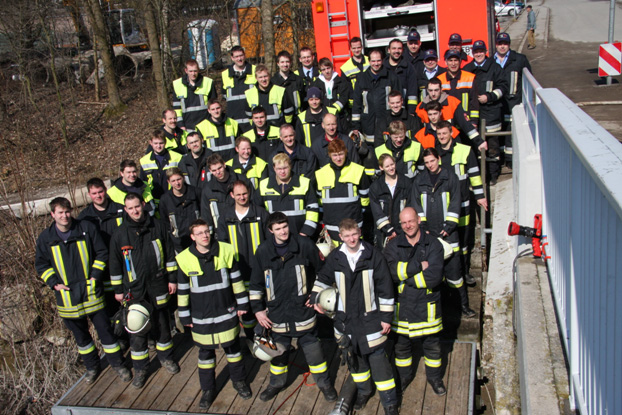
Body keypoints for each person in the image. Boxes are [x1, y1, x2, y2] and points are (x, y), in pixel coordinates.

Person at [36, 197, 130, 384]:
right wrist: (55, 284)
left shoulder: (86, 228)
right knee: (81, 338)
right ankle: (92, 367)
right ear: (53, 214)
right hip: (67, 296)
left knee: (106, 332)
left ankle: (119, 365)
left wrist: (95, 276)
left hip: (91, 292)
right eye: (60, 213)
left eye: (67, 211)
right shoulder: (45, 238)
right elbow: (41, 265)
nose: (65, 216)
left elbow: (102, 253)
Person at [311, 219, 398, 415]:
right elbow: (323, 278)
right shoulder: (336, 257)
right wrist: (316, 297)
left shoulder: (373, 255)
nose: (351, 239)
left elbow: (385, 287)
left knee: (380, 364)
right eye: (347, 236)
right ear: (340, 237)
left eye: (354, 234)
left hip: (371, 320)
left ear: (360, 233)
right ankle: (364, 391)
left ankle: (390, 402)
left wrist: (386, 317)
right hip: (345, 321)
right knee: (355, 362)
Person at [249, 212, 337, 402]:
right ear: (270, 230)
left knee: (315, 354)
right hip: (277, 315)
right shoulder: (263, 251)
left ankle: (324, 384)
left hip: (303, 312)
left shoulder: (305, 246)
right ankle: (276, 384)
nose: (283, 232)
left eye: (285, 227)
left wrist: (316, 296)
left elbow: (323, 272)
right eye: (278, 228)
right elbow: (255, 283)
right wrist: (258, 310)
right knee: (278, 356)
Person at [176, 219, 252, 409]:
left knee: (233, 350)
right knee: (205, 355)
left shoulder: (226, 250)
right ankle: (208, 390)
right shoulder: (184, 259)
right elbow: (183, 290)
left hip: (226, 310)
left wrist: (242, 303)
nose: (205, 235)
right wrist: (184, 315)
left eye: (207, 231)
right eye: (200, 233)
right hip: (201, 315)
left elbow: (236, 279)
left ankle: (239, 382)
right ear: (193, 237)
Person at [109, 193, 180, 388]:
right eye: (130, 208)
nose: (135, 211)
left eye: (137, 206)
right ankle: (141, 368)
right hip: (134, 289)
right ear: (126, 210)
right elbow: (115, 264)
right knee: (137, 330)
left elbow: (169, 255)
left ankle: (166, 358)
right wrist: (118, 290)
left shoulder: (157, 226)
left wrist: (172, 279)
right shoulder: (120, 234)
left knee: (162, 324)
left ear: (143, 204)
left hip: (158, 284)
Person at [383, 207, 446, 396]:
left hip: (427, 306)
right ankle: (404, 377)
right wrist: (418, 267)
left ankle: (435, 378)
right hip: (403, 308)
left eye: (410, 221)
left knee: (433, 348)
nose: (407, 226)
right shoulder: (393, 246)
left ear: (418, 220)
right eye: (403, 223)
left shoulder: (434, 245)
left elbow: (434, 277)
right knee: (401, 348)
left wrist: (406, 277)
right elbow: (390, 273)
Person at [409, 148, 476, 318]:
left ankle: (463, 306)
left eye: (432, 161)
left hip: (449, 233)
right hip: (428, 234)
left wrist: (449, 226)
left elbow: (455, 202)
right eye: (427, 162)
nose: (430, 165)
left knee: (455, 272)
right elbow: (416, 205)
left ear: (438, 159)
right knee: (433, 273)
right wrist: (423, 228)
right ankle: (442, 310)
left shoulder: (450, 177)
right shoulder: (419, 181)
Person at [435, 121, 487, 286]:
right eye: (439, 134)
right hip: (443, 207)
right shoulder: (434, 154)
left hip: (463, 205)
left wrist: (480, 196)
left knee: (464, 242)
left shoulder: (465, 151)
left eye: (445, 133)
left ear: (451, 133)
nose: (442, 137)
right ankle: (448, 275)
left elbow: (474, 174)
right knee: (447, 243)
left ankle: (465, 272)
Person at [78, 178, 125, 316]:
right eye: (94, 193)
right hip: (100, 266)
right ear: (89, 195)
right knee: (108, 307)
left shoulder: (120, 210)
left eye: (100, 192)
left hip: (122, 261)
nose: (98, 196)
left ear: (105, 190)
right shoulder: (84, 217)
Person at [464, 40, 508, 183]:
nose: (478, 54)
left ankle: (492, 176)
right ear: (472, 53)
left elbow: (503, 88)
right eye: (476, 52)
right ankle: (480, 176)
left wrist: (488, 97)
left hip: (492, 113)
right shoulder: (468, 68)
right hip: (474, 115)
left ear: (485, 52)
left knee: (493, 147)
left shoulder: (494, 68)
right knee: (476, 148)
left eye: (481, 51)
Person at [315, 139, 370, 244]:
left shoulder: (358, 170)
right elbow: (319, 202)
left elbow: (365, 200)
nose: (338, 158)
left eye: (341, 154)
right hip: (330, 228)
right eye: (335, 155)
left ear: (346, 152)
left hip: (353, 228)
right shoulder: (320, 173)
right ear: (329, 155)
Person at [415, 78, 487, 151]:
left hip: (451, 143)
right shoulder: (420, 107)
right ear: (427, 90)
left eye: (436, 90)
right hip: (430, 146)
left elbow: (465, 124)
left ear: (441, 89)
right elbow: (419, 132)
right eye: (430, 90)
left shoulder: (452, 103)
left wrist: (479, 141)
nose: (433, 94)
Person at [258, 154, 319, 237]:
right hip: (274, 237)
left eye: (285, 168)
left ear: (290, 166)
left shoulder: (304, 183)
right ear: (274, 168)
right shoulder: (263, 185)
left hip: (300, 235)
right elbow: (258, 212)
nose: (282, 172)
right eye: (279, 169)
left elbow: (313, 209)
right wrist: (267, 232)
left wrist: (306, 231)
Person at [352, 50, 402, 149]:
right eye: (373, 61)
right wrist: (355, 126)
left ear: (382, 60)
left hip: (388, 121)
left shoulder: (391, 77)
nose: (376, 64)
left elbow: (399, 99)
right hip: (368, 124)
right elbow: (357, 104)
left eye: (378, 61)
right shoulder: (362, 79)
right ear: (369, 61)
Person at [494, 32, 531, 166]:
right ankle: (501, 159)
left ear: (509, 44)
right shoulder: (491, 61)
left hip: (514, 103)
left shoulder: (520, 60)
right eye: (500, 44)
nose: (502, 47)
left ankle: (510, 161)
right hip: (497, 104)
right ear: (496, 45)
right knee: (499, 133)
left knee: (512, 132)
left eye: (505, 44)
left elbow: (529, 81)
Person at [369, 154, 411, 248]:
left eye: (392, 164)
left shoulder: (406, 183)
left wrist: (400, 230)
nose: (391, 168)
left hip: (404, 231)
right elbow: (377, 213)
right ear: (381, 168)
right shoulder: (375, 187)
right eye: (387, 166)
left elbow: (410, 206)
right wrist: (389, 230)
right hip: (383, 234)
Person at [200, 154, 249, 232]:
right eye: (214, 170)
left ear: (224, 164)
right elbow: (206, 215)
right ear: (210, 171)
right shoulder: (208, 189)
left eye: (220, 168)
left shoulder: (242, 180)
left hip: (244, 226)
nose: (218, 172)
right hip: (221, 230)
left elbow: (253, 202)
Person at [158, 167, 201, 253]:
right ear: (168, 182)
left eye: (179, 179)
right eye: (173, 181)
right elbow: (165, 222)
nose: (177, 183)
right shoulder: (165, 200)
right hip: (178, 243)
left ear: (183, 178)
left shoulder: (196, 192)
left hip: (198, 239)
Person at [172, 59, 217, 132]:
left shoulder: (208, 82)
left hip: (206, 126)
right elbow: (177, 108)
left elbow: (214, 105)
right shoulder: (177, 85)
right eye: (191, 71)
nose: (193, 74)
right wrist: (180, 125)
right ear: (186, 71)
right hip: (187, 127)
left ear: (198, 70)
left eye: (195, 71)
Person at [139, 129, 183, 205]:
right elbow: (143, 183)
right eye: (155, 143)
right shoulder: (144, 161)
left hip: (173, 200)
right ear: (150, 143)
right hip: (154, 202)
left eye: (161, 143)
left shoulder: (177, 157)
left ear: (165, 142)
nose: (158, 146)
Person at [437, 51, 479, 124]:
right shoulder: (439, 80)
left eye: (456, 60)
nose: (453, 64)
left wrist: (474, 121)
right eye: (450, 60)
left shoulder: (469, 78)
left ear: (460, 62)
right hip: (446, 122)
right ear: (446, 62)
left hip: (465, 121)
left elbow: (474, 103)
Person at [222, 46, 256, 131]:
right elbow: (224, 95)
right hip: (233, 121)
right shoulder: (225, 74)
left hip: (252, 120)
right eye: (236, 57)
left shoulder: (255, 70)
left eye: (241, 55)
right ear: (232, 58)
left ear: (245, 55)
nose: (239, 59)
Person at [313, 57, 352, 132]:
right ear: (320, 71)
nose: (326, 71)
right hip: (323, 117)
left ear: (332, 67)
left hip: (340, 116)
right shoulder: (316, 84)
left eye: (328, 68)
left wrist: (334, 110)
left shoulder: (341, 81)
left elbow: (344, 98)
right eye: (323, 69)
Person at [383, 39, 418, 113]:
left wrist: (411, 112)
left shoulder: (409, 68)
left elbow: (413, 92)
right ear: (388, 50)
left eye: (399, 48)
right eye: (394, 48)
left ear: (402, 50)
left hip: (403, 111)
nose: (396, 51)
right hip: (385, 112)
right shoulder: (382, 67)